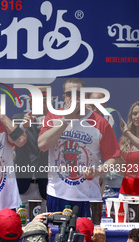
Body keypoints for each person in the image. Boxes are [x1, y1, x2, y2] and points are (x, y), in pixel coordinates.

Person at [38, 78, 121, 217]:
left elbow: (114, 158)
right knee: (55, 236)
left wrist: (98, 171)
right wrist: (66, 119)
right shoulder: (53, 116)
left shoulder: (100, 122)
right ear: (64, 97)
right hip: (57, 193)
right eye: (69, 94)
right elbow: (42, 145)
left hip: (87, 196)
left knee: (88, 237)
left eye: (78, 93)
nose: (74, 97)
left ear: (85, 97)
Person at [13, 86, 50, 212]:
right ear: (30, 102)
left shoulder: (57, 123)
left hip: (47, 186)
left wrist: (50, 127)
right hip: (24, 185)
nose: (41, 104)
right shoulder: (18, 118)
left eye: (44, 101)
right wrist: (22, 126)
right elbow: (12, 140)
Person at [119, 101, 139, 198]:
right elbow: (120, 168)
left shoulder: (127, 134)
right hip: (126, 191)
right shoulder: (125, 139)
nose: (137, 116)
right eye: (134, 114)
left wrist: (127, 132)